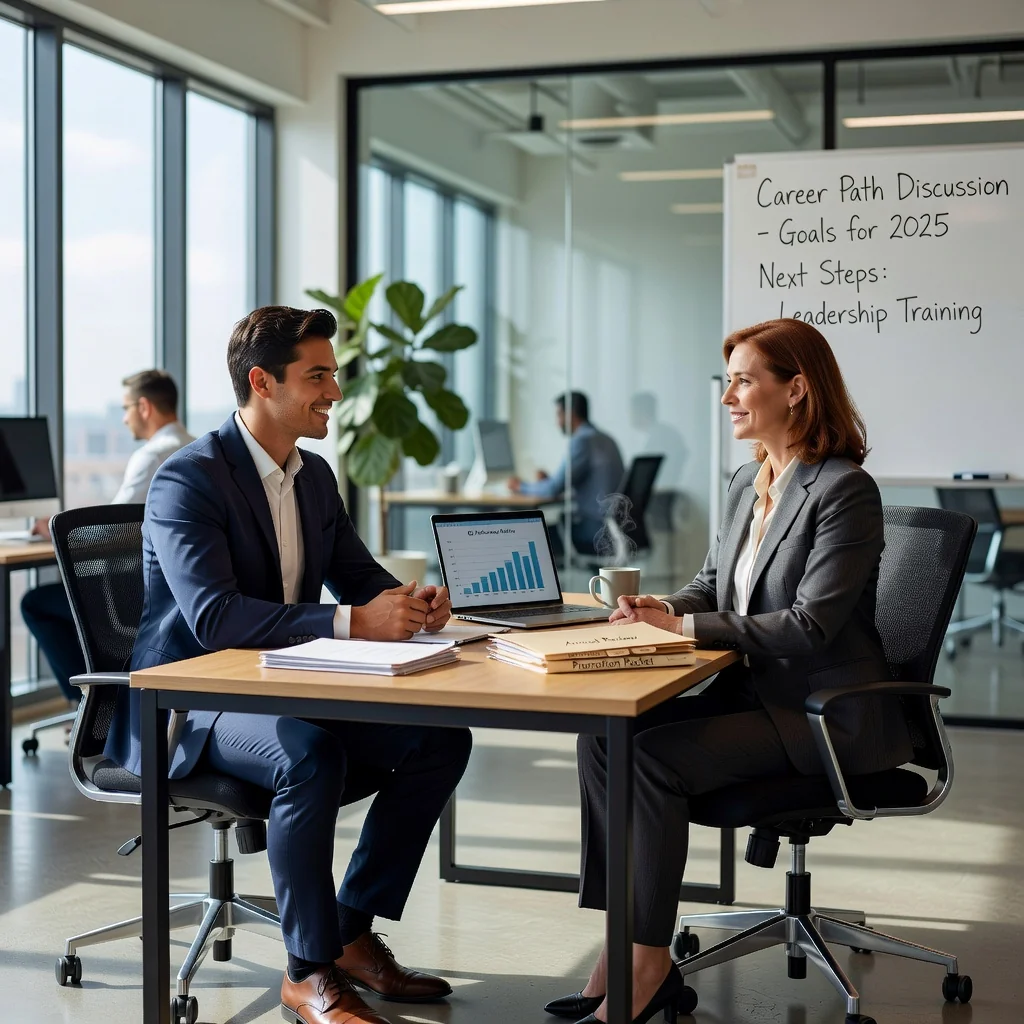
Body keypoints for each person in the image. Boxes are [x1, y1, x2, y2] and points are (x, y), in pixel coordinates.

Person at [104, 305, 472, 1024]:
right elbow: (214, 619)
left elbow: (357, 577)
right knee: (309, 756)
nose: (334, 391)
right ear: (262, 381)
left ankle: (350, 931)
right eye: (318, 375)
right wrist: (351, 622)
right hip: (189, 702)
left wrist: (410, 603)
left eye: (333, 373)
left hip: (276, 690)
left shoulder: (312, 478)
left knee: (439, 740)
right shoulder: (190, 480)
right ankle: (306, 971)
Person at [544, 319, 914, 1024]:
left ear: (797, 390)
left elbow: (809, 626)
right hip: (755, 696)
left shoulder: (844, 492)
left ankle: (648, 968)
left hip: (824, 714)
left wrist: (680, 628)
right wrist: (662, 606)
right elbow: (712, 588)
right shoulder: (750, 479)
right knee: (604, 733)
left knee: (652, 761)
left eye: (745, 381)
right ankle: (623, 944)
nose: (729, 398)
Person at [20, 370, 193, 704]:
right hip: (179, 592)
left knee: (34, 603)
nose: (125, 419)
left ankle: (90, 704)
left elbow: (109, 532)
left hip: (137, 596)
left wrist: (55, 532)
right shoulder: (195, 447)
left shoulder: (153, 456)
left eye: (126, 408)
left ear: (144, 407)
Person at [509, 390, 625, 555]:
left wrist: (520, 486)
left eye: (559, 415)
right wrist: (550, 482)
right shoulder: (606, 439)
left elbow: (553, 489)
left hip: (595, 529)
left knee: (534, 535)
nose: (557, 422)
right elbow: (576, 482)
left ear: (570, 414)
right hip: (614, 526)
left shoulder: (583, 440)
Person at [629, 391, 687, 491]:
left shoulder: (660, 437)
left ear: (640, 412)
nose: (630, 416)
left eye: (631, 412)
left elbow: (656, 476)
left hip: (660, 493)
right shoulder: (662, 433)